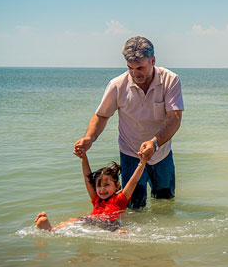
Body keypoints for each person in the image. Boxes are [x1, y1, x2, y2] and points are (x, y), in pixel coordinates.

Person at [74, 36, 184, 209]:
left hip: (162, 153)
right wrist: (90, 137)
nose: (135, 73)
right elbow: (102, 115)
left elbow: (175, 118)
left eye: (140, 68)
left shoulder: (170, 80)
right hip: (131, 154)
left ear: (153, 61)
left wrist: (154, 143)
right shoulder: (117, 85)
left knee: (165, 203)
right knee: (134, 207)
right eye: (130, 68)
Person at [35, 151, 148, 232]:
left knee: (120, 233)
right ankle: (51, 228)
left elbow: (133, 181)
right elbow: (87, 178)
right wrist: (84, 158)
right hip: (91, 220)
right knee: (74, 220)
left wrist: (142, 163)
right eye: (98, 186)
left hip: (110, 225)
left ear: (117, 185)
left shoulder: (119, 199)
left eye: (107, 185)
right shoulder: (96, 199)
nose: (102, 189)